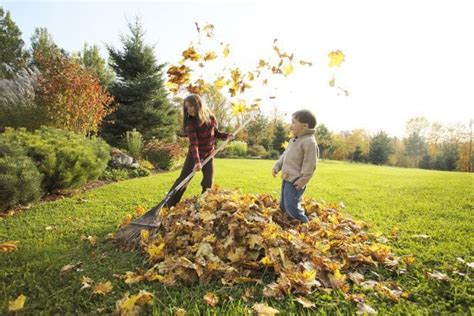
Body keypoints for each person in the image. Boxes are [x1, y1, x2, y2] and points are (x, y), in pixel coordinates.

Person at [166, 94, 232, 208]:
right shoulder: (190, 123)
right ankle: (168, 204)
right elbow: (194, 144)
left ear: (198, 105)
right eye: (187, 108)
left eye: (191, 106)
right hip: (194, 155)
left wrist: (227, 136)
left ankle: (205, 205)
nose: (189, 110)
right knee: (184, 179)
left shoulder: (211, 118)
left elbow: (216, 133)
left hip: (208, 154)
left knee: (208, 181)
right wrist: (197, 161)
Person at [272, 110, 319, 223]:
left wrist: (302, 180)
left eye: (294, 122)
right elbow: (285, 156)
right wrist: (277, 166)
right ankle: (286, 222)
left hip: (296, 181)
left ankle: (303, 224)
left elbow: (310, 164)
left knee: (292, 206)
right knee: (284, 204)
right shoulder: (294, 140)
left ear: (305, 126)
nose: (291, 125)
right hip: (287, 177)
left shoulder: (309, 142)